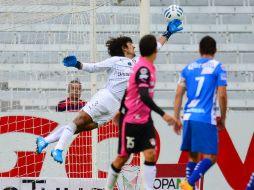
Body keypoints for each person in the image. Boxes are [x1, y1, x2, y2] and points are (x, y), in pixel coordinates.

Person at [36, 19, 183, 164]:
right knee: (78, 121)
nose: (133, 46)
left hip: (115, 107)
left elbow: (155, 48)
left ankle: (45, 140)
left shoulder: (138, 61)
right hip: (106, 97)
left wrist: (168, 33)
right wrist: (77, 64)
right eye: (131, 44)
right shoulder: (115, 60)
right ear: (125, 48)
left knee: (81, 127)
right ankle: (59, 150)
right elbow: (94, 67)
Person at [105, 34, 178, 190]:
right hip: (131, 121)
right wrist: (163, 114)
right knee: (123, 158)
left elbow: (129, 89)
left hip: (145, 120)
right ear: (154, 52)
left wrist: (120, 108)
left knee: (150, 154)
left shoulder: (146, 65)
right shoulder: (143, 69)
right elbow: (144, 95)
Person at [173, 36, 228, 190]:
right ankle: (189, 183)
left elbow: (178, 94)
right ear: (215, 50)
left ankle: (188, 186)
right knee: (211, 157)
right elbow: (222, 95)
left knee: (193, 156)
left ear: (199, 50)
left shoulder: (188, 68)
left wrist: (176, 118)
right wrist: (223, 118)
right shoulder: (218, 67)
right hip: (205, 117)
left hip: (189, 116)